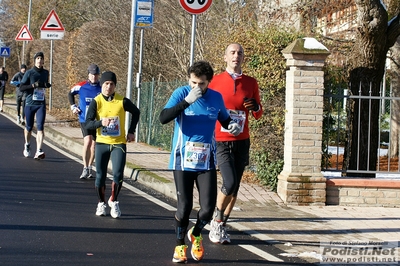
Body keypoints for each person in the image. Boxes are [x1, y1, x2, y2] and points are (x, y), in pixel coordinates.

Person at [159, 60, 240, 263]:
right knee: (184, 207)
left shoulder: (215, 98)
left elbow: (225, 119)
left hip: (206, 161)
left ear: (208, 82)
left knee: (207, 209)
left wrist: (233, 126)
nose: (197, 87)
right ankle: (179, 246)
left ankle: (196, 233)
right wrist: (187, 101)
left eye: (201, 84)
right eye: (193, 82)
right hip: (183, 160)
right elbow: (163, 117)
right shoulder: (181, 93)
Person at [208, 43, 263, 244]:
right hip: (222, 140)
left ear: (243, 57)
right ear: (225, 57)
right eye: (232, 53)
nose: (236, 56)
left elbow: (258, 113)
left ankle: (222, 225)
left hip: (242, 139)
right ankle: (216, 219)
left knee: (236, 186)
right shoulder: (215, 81)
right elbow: (206, 107)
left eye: (240, 53)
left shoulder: (251, 82)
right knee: (228, 183)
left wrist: (256, 107)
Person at [85, 71, 140, 219]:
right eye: (106, 84)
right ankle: (101, 203)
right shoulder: (96, 102)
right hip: (102, 143)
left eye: (111, 84)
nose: (108, 87)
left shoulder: (122, 101)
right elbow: (88, 122)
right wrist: (100, 123)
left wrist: (131, 131)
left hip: (119, 143)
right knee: (100, 176)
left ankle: (114, 201)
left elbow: (136, 112)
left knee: (117, 174)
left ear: (115, 86)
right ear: (102, 85)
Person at [68, 64, 102, 179]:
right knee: (87, 141)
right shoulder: (81, 86)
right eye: (92, 75)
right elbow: (70, 93)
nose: (94, 77)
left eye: (96, 75)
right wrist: (73, 106)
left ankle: (89, 168)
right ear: (88, 75)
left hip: (96, 120)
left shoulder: (102, 87)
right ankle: (84, 167)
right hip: (84, 118)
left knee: (94, 145)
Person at [19, 52, 51, 160]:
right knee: (29, 127)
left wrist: (46, 85)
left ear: (43, 61)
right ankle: (27, 144)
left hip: (40, 103)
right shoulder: (29, 73)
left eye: (41, 58)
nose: (39, 60)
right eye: (37, 58)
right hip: (29, 103)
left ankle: (39, 150)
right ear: (34, 60)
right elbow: (21, 87)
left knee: (40, 127)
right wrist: (32, 86)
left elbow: (44, 84)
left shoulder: (46, 72)